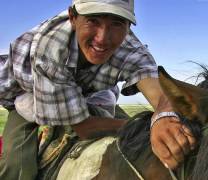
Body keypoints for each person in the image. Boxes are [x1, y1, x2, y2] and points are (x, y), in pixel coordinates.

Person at [0, 0, 196, 179]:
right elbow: (83, 127)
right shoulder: (50, 51)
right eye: (93, 21)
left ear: (129, 27)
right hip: (27, 93)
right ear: (73, 17)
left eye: (117, 23)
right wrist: (141, 126)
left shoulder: (130, 48)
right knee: (16, 166)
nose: (103, 38)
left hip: (86, 90)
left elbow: (157, 91)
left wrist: (163, 117)